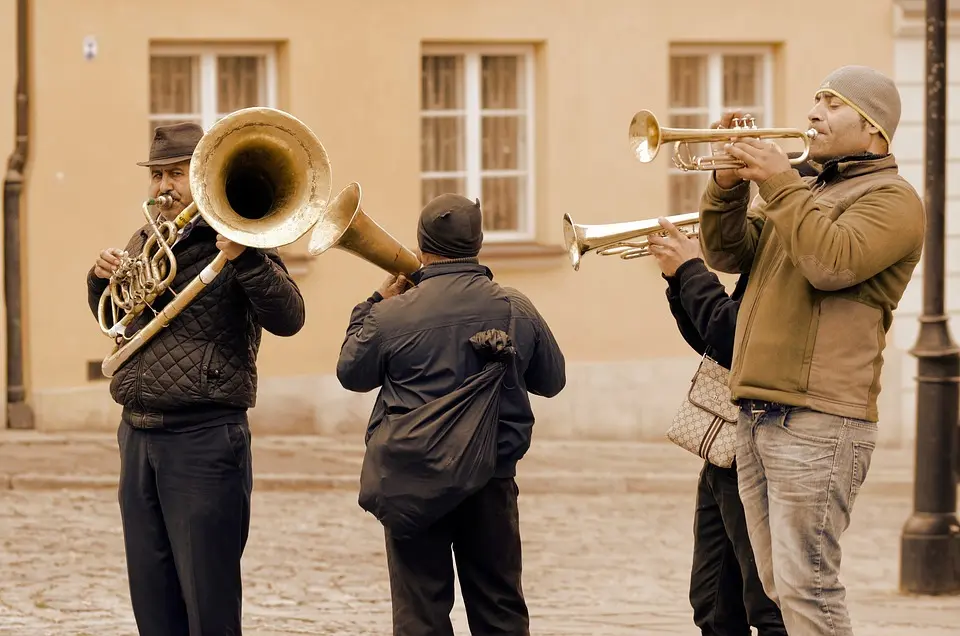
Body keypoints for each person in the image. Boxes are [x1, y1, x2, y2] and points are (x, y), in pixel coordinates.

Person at [697, 65, 925, 635]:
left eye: (833, 102)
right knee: (779, 586)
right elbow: (728, 254)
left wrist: (780, 183)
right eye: (816, 98)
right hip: (756, 412)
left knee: (808, 587)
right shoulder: (809, 189)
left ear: (874, 129)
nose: (814, 111)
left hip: (820, 419)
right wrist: (727, 186)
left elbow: (832, 262)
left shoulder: (892, 200)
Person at [86, 122, 306, 636]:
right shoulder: (146, 237)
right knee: (152, 595)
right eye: (157, 174)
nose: (164, 185)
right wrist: (101, 279)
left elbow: (289, 316)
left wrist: (245, 256)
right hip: (138, 434)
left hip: (203, 439)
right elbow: (120, 316)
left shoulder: (242, 234)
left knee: (207, 601)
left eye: (177, 174)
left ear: (203, 175)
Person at [335, 193, 566, 636]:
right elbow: (552, 381)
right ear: (478, 244)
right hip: (491, 481)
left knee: (419, 614)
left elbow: (351, 372)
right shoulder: (515, 305)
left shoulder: (389, 315)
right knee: (499, 609)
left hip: (410, 480)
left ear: (422, 248)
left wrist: (372, 303)